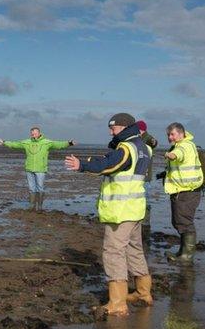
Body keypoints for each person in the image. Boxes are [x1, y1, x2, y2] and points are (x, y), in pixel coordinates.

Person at [64, 113, 152, 315]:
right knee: (134, 250)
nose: (110, 131)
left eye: (113, 128)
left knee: (113, 252)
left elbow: (110, 165)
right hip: (135, 210)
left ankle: (118, 303)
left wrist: (82, 165)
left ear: (124, 127)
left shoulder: (127, 148)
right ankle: (143, 292)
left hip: (121, 213)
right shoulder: (144, 148)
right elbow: (112, 161)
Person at [0, 127, 74, 211]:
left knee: (40, 188)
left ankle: (39, 207)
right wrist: (4, 142)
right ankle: (32, 206)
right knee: (31, 188)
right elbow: (15, 144)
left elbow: (58, 144)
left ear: (39, 133)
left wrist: (69, 143)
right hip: (29, 169)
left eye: (35, 133)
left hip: (41, 170)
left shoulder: (46, 142)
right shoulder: (26, 142)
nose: (33, 135)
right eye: (32, 133)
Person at [160, 122, 203, 262]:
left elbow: (179, 155)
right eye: (168, 135)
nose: (170, 137)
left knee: (184, 221)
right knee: (179, 221)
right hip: (183, 190)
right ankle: (182, 252)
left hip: (187, 191)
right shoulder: (182, 144)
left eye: (172, 134)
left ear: (181, 133)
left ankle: (187, 256)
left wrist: (170, 155)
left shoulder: (184, 146)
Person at [136, 120, 158, 240]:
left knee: (145, 201)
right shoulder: (136, 139)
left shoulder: (147, 138)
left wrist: (151, 140)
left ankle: (145, 224)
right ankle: (139, 223)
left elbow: (154, 142)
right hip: (138, 176)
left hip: (145, 176)